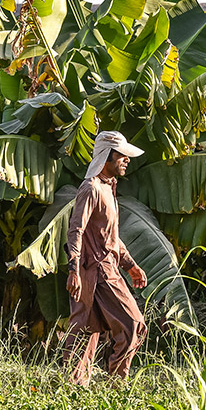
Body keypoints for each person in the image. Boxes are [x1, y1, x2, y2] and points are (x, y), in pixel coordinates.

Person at [63, 131, 148, 385]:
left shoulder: (108, 188)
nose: (126, 160)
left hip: (105, 268)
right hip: (98, 272)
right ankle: (116, 385)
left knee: (85, 332)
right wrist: (73, 270)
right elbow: (75, 230)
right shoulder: (91, 188)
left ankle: (75, 394)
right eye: (122, 155)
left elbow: (110, 236)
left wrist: (130, 265)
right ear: (107, 156)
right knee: (134, 325)